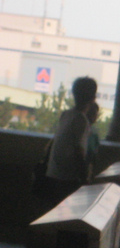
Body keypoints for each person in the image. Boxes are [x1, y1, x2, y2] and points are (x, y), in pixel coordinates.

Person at [43, 76, 98, 204]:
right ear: (92, 98)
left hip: (52, 173)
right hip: (66, 178)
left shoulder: (66, 114)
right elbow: (79, 152)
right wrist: (84, 179)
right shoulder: (81, 120)